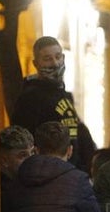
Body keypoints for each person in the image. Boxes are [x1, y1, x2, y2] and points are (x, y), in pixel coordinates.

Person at [9, 36, 97, 174]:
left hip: (72, 175)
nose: (55, 63)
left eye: (58, 57)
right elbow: (23, 141)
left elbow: (77, 132)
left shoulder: (65, 95)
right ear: (35, 64)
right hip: (49, 176)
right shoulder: (29, 98)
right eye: (47, 59)